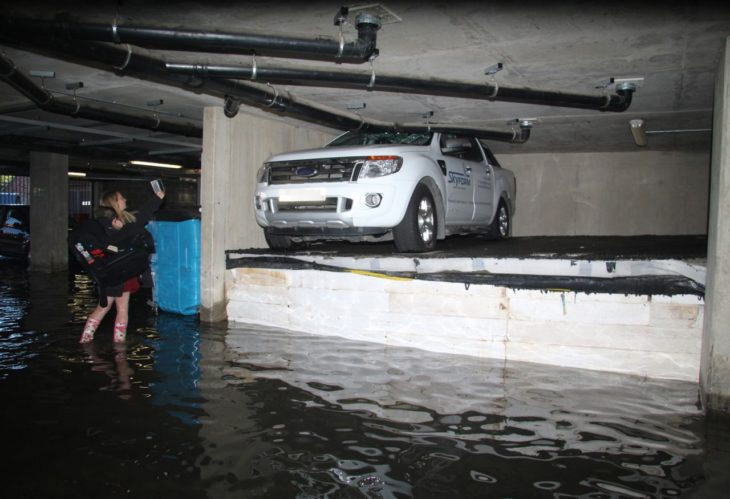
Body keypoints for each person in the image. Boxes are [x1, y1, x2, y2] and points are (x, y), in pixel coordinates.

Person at [79, 187, 165, 343]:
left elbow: (140, 218)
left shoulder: (109, 220)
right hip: (117, 272)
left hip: (117, 272)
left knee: (110, 308)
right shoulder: (114, 222)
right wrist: (157, 198)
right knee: (108, 308)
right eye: (121, 198)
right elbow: (139, 222)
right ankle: (99, 342)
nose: (125, 199)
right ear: (114, 202)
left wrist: (157, 198)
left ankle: (93, 340)